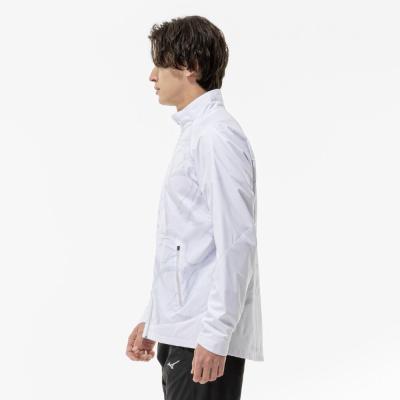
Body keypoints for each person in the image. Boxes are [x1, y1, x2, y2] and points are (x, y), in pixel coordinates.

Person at [126, 15, 264, 400]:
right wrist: (154, 319)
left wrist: (217, 335)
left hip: (201, 337)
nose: (152, 76)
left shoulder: (216, 137)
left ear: (191, 67)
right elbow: (184, 245)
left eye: (159, 63)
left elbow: (236, 241)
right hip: (185, 332)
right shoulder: (198, 134)